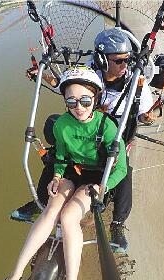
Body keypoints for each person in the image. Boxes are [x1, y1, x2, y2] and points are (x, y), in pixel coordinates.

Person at [0, 66, 127, 280]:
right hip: (72, 173)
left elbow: (121, 168)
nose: (78, 107)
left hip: (97, 178)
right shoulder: (62, 124)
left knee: (68, 218)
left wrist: (103, 186)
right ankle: (13, 278)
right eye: (71, 101)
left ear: (95, 99)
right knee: (52, 209)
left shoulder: (106, 127)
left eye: (85, 100)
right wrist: (58, 175)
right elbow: (61, 155)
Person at [12, 28, 155, 252]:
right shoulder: (87, 75)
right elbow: (63, 84)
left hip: (114, 133)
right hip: (86, 128)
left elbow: (143, 112)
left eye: (127, 60)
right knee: (55, 154)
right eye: (119, 60)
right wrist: (39, 75)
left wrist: (145, 117)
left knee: (124, 172)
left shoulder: (136, 82)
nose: (124, 64)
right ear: (102, 60)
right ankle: (41, 202)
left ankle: (117, 225)